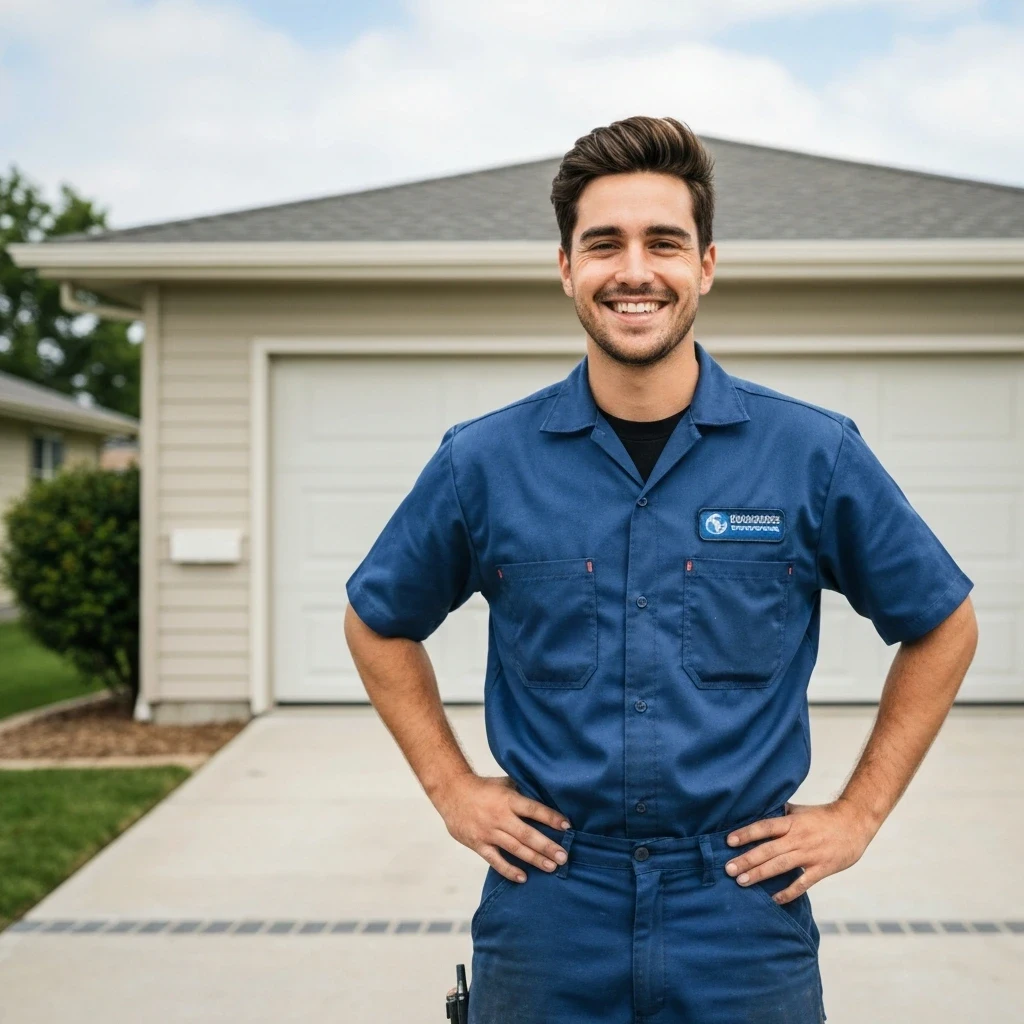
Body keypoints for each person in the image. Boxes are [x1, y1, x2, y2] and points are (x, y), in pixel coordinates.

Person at [344, 115, 978, 1024]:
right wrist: (452, 787)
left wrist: (858, 814)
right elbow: (376, 618)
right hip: (550, 907)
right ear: (567, 267)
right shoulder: (482, 463)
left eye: (664, 243)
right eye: (604, 244)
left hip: (743, 912)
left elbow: (944, 623)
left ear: (706, 266)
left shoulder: (813, 455)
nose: (634, 270)